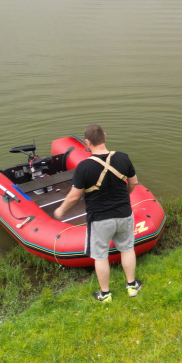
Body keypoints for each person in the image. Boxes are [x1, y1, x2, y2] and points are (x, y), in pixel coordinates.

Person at [52, 124, 142, 302]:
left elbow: (74, 197)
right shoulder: (123, 158)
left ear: (87, 142)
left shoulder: (84, 167)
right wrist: (125, 197)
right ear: (105, 136)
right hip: (124, 214)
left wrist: (61, 210)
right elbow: (133, 183)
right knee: (127, 249)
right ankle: (132, 286)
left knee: (100, 256)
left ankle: (105, 294)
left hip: (100, 219)